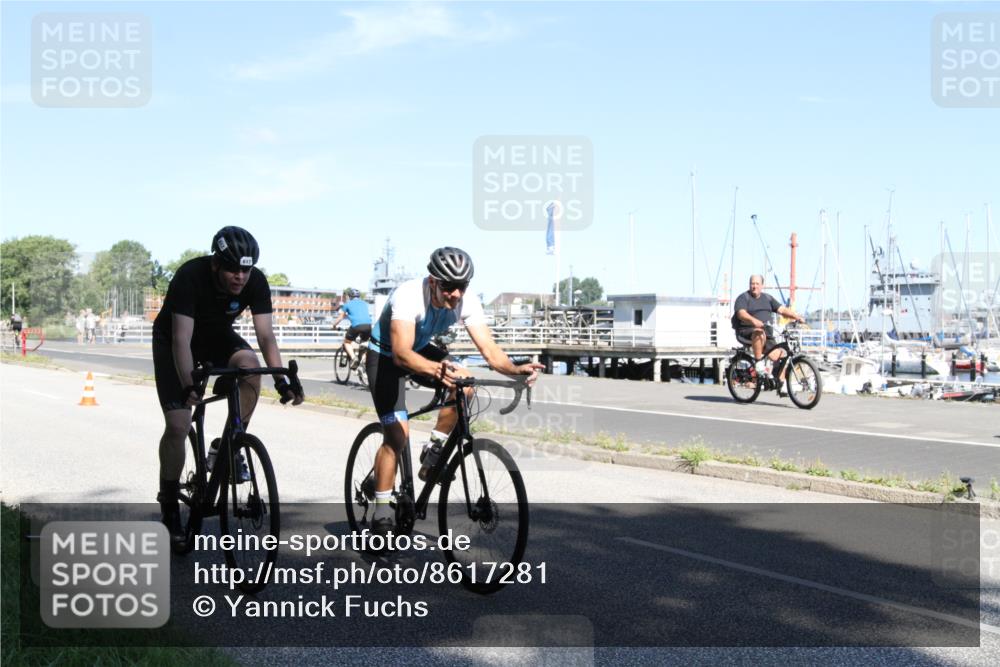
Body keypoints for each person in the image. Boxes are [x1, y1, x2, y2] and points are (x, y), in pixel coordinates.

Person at [365, 247, 543, 538]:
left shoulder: (466, 301)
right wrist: (438, 371)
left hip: (419, 349)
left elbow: (489, 350)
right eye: (449, 286)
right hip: (386, 357)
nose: (456, 294)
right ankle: (382, 511)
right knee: (397, 435)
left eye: (462, 286)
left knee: (466, 383)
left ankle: (434, 449)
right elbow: (401, 355)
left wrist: (515, 369)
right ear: (432, 281)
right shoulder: (408, 296)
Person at [152, 226, 304, 541]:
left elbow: (265, 336)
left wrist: (282, 380)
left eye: (245, 269)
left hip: (215, 336)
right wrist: (189, 385)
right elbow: (182, 340)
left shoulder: (256, 281)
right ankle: (168, 501)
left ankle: (229, 443)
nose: (240, 276)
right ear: (215, 265)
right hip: (174, 340)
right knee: (179, 425)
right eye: (233, 269)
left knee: (250, 365)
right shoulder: (190, 276)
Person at [732, 274, 806, 391]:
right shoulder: (743, 298)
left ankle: (780, 384)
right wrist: (753, 321)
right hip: (746, 331)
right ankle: (758, 363)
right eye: (752, 284)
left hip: (766, 334)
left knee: (781, 354)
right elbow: (741, 313)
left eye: (757, 284)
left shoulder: (768, 298)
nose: (754, 286)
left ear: (762, 285)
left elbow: (782, 310)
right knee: (759, 332)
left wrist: (796, 317)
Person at [331, 288, 371, 369]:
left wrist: (334, 325)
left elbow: (340, 317)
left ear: (350, 297)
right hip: (368, 326)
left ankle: (353, 358)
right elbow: (358, 315)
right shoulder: (364, 303)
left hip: (356, 326)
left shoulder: (347, 304)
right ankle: (363, 364)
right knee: (363, 344)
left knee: (347, 342)